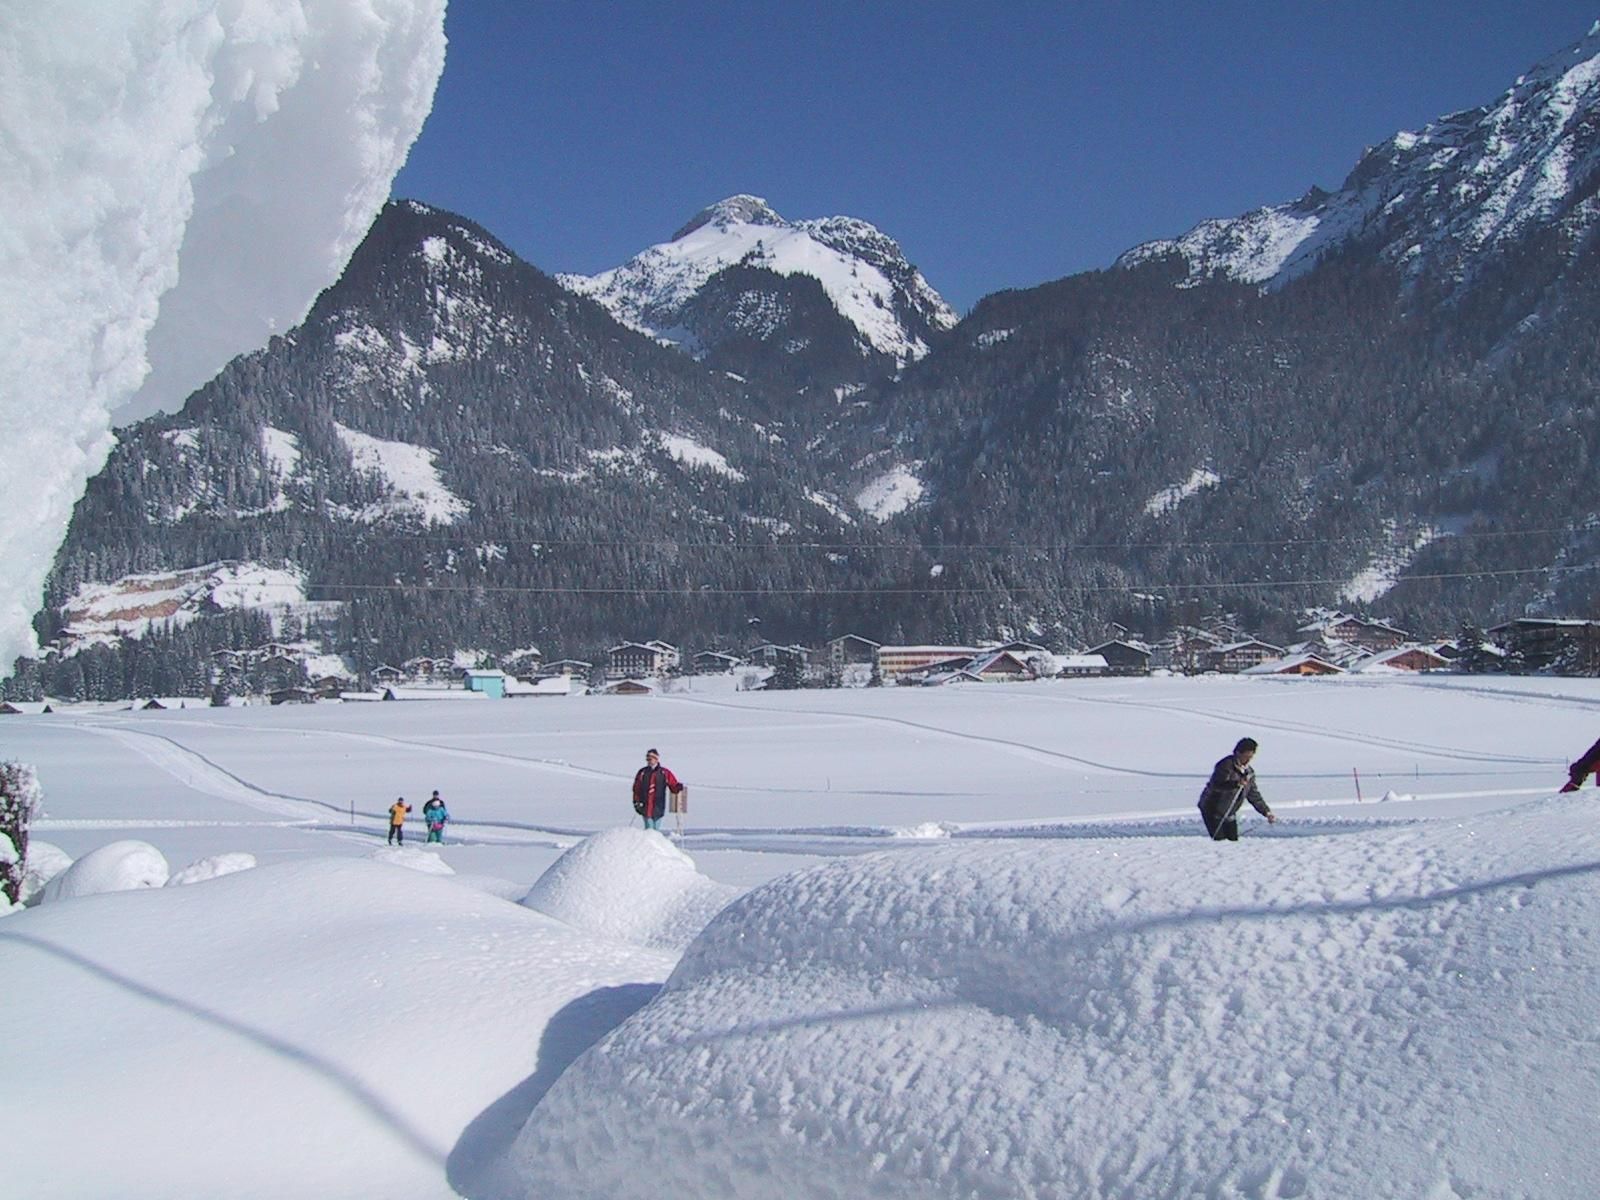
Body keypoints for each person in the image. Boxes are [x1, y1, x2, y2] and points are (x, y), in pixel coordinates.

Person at [1198, 737, 1277, 841]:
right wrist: (1235, 784)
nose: (1248, 760)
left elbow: (1253, 795)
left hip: (1229, 812)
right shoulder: (1225, 765)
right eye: (1246, 756)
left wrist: (1266, 812)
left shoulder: (1249, 773)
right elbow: (1217, 785)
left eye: (1251, 757)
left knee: (1233, 842)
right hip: (1212, 810)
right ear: (1238, 753)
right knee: (1220, 843)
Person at [632, 747, 684, 832]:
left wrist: (677, 787)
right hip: (645, 805)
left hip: (658, 806)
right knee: (649, 829)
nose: (649, 761)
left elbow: (673, 784)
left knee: (656, 829)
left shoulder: (664, 772)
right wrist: (636, 802)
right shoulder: (642, 772)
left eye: (651, 759)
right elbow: (636, 788)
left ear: (656, 759)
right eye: (647, 759)